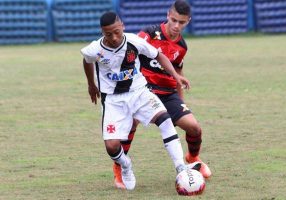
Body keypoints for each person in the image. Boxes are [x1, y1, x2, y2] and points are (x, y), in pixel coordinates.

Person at [81, 11, 200, 190]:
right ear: (102, 32)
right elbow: (86, 60)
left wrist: (175, 75)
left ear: (123, 26)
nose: (113, 37)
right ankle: (126, 165)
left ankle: (181, 168)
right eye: (108, 34)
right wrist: (91, 84)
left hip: (139, 93)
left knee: (165, 119)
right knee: (112, 147)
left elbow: (158, 55)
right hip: (113, 100)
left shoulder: (134, 41)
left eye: (117, 32)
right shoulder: (94, 49)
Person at [112, 0, 212, 189]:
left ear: (188, 21)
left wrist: (182, 104)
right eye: (173, 20)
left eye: (181, 22)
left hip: (167, 93)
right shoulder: (149, 34)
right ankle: (119, 169)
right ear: (167, 15)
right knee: (130, 124)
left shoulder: (182, 46)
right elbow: (128, 49)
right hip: (143, 91)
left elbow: (178, 75)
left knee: (194, 128)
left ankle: (193, 159)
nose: (176, 26)